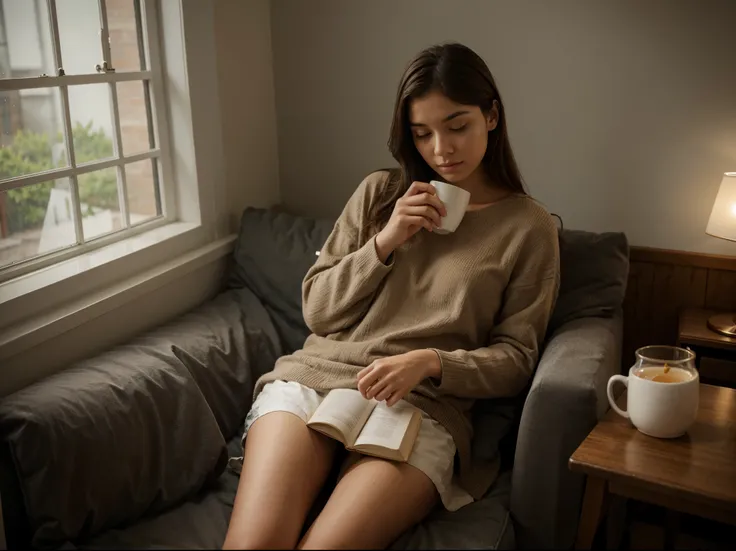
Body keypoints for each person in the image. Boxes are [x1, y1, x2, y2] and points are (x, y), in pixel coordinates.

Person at [223, 42, 560, 550]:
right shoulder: (380, 194)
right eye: (422, 134)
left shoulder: (528, 227)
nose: (441, 149)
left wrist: (430, 362)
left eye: (457, 125)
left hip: (421, 405)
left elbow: (517, 358)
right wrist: (385, 241)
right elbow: (317, 309)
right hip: (316, 381)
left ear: (492, 116)